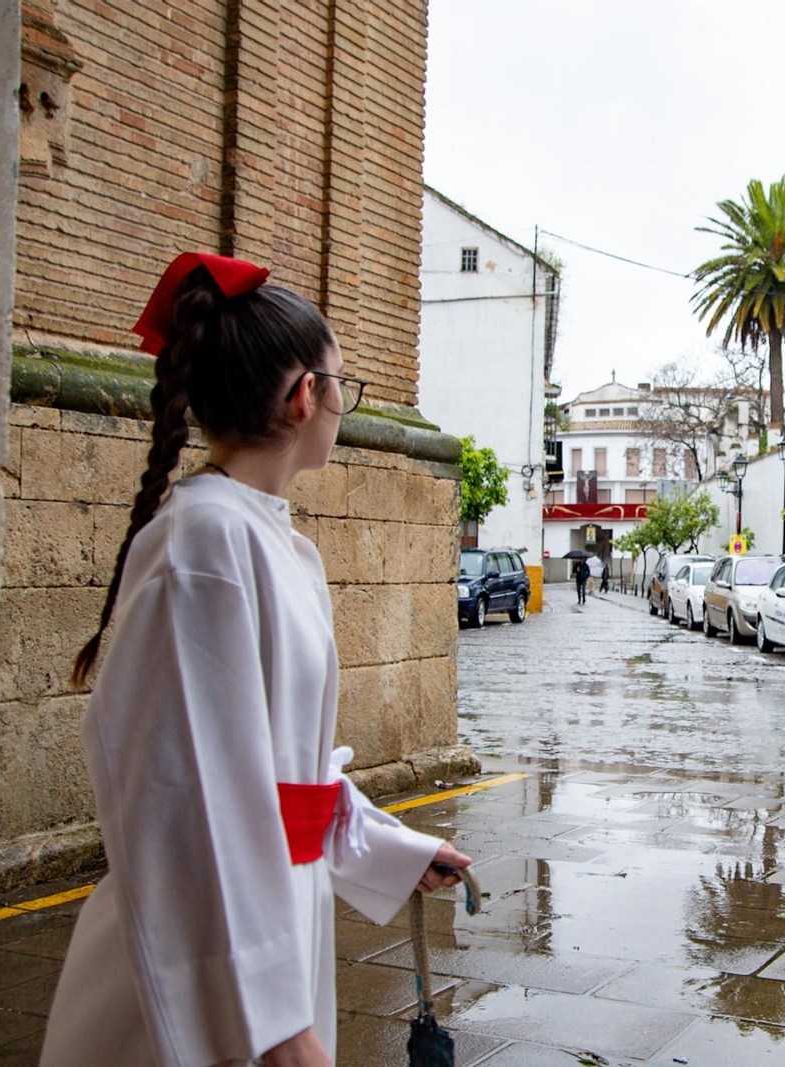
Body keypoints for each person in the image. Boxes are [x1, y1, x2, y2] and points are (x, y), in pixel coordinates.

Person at [40, 252, 471, 1067]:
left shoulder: (276, 543)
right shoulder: (203, 542)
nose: (344, 404)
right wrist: (276, 1029)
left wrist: (393, 851)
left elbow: (287, 776)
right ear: (307, 393)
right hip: (204, 962)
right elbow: (193, 801)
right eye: (346, 384)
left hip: (269, 932)